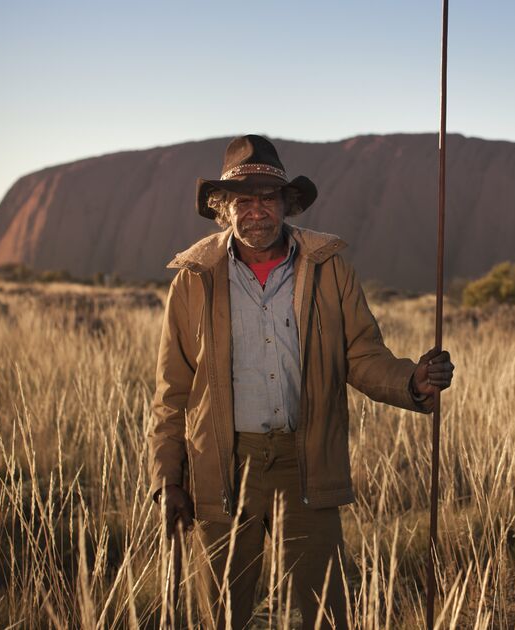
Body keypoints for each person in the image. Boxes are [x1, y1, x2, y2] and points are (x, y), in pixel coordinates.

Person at [148, 134, 454, 629]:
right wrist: (167, 478)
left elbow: (361, 355)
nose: (256, 211)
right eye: (242, 200)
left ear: (286, 204)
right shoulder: (194, 278)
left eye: (267, 198)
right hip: (223, 465)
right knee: (222, 614)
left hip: (305, 461)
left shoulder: (327, 268)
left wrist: (412, 381)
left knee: (325, 613)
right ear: (223, 209)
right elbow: (172, 391)